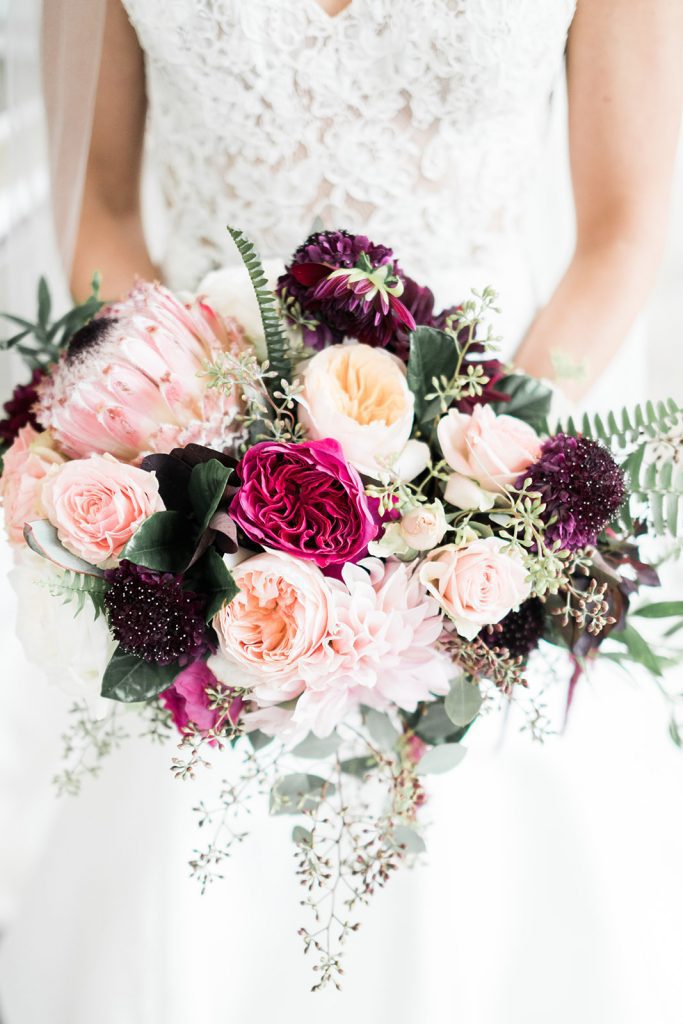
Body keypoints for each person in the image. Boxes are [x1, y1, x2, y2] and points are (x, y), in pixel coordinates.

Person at [0, 2, 682, 1022]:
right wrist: (187, 464)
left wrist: (482, 495)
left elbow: (622, 230)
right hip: (204, 487)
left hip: (488, 449)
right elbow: (98, 202)